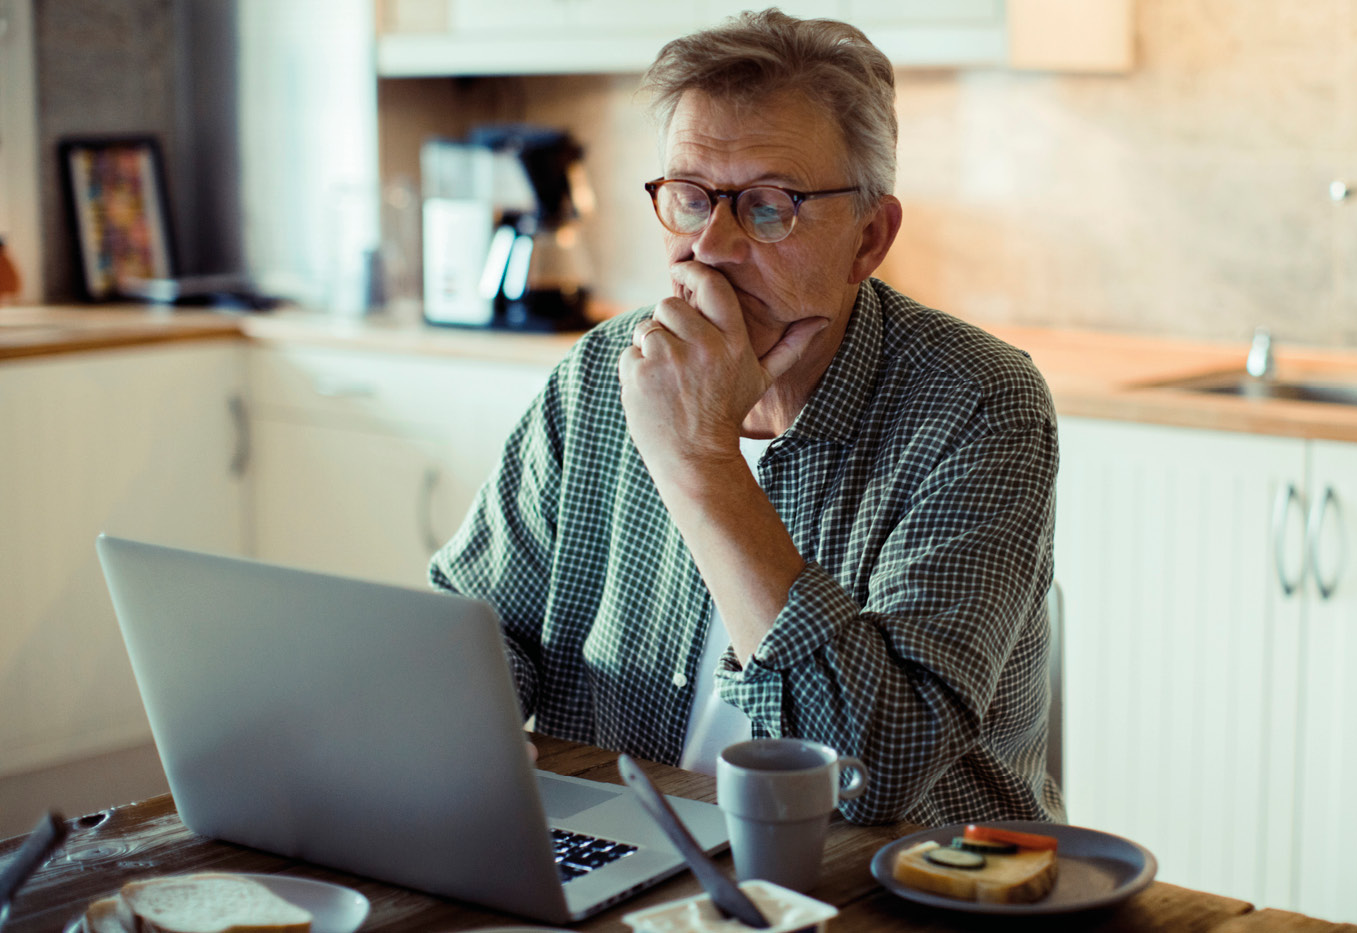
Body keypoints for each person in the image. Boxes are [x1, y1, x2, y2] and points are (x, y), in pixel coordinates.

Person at [430, 8, 1061, 826]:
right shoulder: (598, 374)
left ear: (868, 237)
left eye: (768, 206)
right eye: (691, 198)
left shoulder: (976, 403)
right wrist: (455, 721)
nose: (712, 246)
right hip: (631, 851)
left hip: (892, 888)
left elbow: (872, 771)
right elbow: (478, 628)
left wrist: (699, 459)